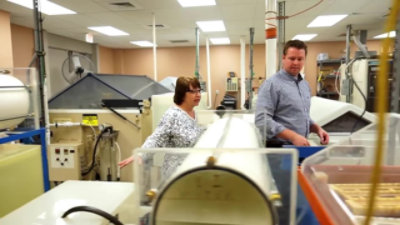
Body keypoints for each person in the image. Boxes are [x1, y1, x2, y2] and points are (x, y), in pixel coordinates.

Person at [255, 39, 329, 147]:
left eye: (300, 59)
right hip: (279, 149)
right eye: (292, 58)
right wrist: (293, 136)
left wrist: (317, 129)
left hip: (300, 147)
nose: (296, 63)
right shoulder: (271, 85)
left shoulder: (304, 85)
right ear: (283, 58)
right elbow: (262, 120)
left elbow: (301, 116)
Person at [119, 76, 205, 168]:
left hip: (190, 168)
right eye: (193, 91)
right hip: (174, 173)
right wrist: (141, 154)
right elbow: (157, 138)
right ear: (182, 94)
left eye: (199, 91)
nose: (198, 94)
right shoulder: (172, 115)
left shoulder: (193, 113)